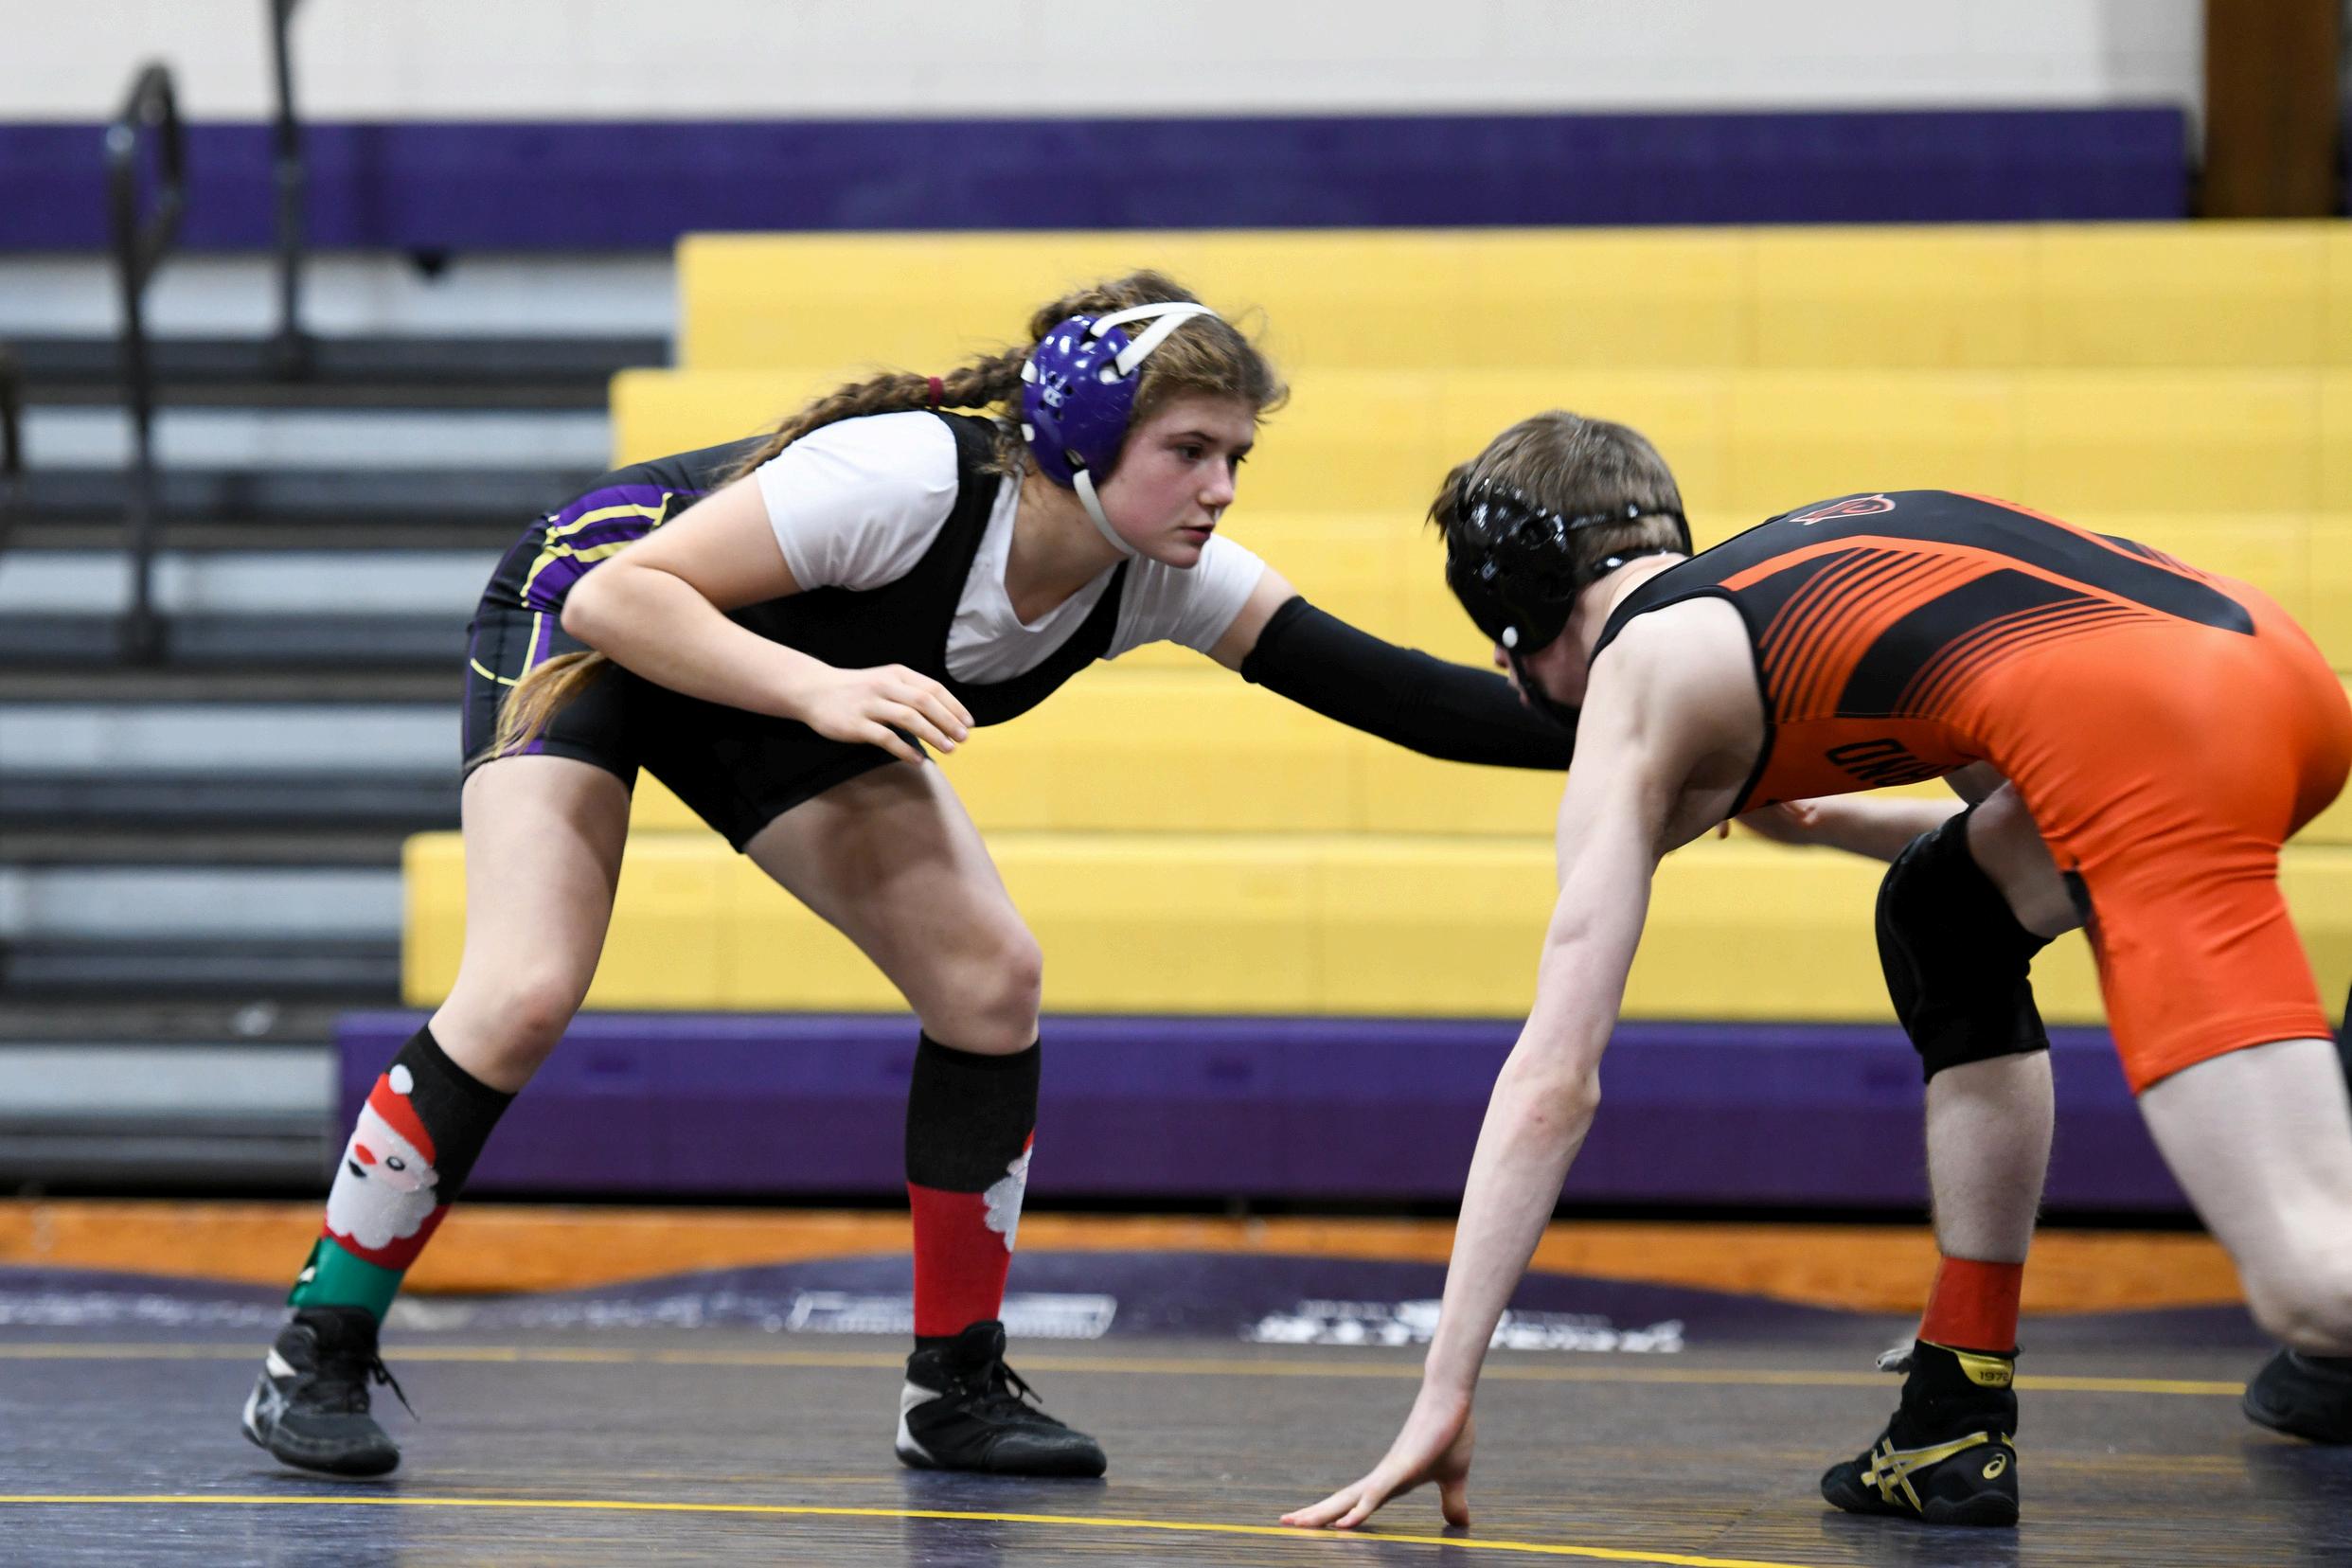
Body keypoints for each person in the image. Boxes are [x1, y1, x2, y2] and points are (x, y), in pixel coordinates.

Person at [237, 273, 1586, 1480]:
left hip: (782, 679)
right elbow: (615, 599)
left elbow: (1401, 699)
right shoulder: (912, 479)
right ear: (1085, 436)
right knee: (527, 986)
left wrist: (1649, 727)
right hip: (601, 617)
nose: (1221, 488)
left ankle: (955, 1390)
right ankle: (317, 1349)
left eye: (1235, 455)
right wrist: (815, 689)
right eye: (1190, 451)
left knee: (989, 981)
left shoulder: (1158, 573)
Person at [1285, 411, 2352, 1532]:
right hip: (2275, 673)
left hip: (2159, 741)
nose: (1507, 677)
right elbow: (2039, 822)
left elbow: (1554, 1080)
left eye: (1498, 646)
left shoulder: (1638, 672)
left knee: (2316, 1288)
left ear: (1520, 610)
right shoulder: (1782, 585)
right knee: (1948, 921)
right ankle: (1952, 1417)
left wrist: (1446, 1387)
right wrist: (1834, 821)